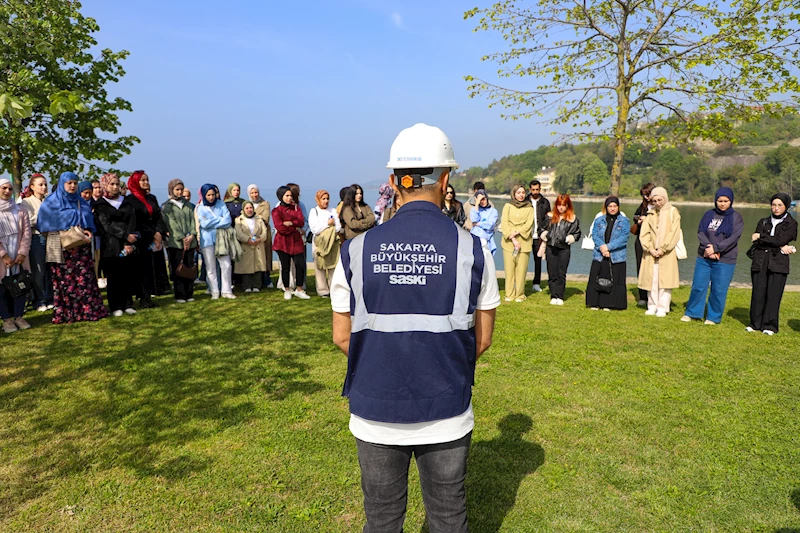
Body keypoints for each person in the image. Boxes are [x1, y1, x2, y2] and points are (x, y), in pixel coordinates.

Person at [331, 123, 499, 533]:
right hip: (446, 409)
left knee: (383, 519)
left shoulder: (355, 249)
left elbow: (341, 336)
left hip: (375, 410)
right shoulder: (472, 248)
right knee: (446, 518)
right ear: (446, 181)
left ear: (393, 182)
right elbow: (483, 338)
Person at [37, 172, 108, 324]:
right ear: (62, 184)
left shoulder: (80, 201)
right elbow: (43, 224)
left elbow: (88, 219)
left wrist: (87, 229)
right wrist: (63, 230)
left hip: (80, 246)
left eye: (75, 183)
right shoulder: (51, 202)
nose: (72, 186)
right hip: (61, 247)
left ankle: (88, 311)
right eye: (69, 183)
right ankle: (69, 313)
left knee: (85, 279)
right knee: (65, 282)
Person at [682, 187, 744, 325]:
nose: (722, 204)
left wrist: (716, 249)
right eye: (719, 201)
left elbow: (734, 238)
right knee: (698, 285)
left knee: (719, 288)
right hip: (704, 257)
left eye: (725, 201)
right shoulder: (708, 214)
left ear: (731, 201)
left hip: (725, 259)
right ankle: (692, 313)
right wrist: (708, 248)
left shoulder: (736, 217)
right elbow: (701, 232)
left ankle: (713, 317)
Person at [746, 192, 797, 335]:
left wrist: (762, 237)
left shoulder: (791, 223)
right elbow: (757, 242)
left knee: (774, 294)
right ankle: (755, 324)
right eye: (774, 205)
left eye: (780, 205)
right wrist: (779, 246)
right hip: (760, 261)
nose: (776, 208)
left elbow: (780, 239)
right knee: (758, 293)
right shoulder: (763, 221)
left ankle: (769, 326)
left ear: (786, 206)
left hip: (778, 263)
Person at [93, 173, 139, 316]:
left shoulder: (127, 202)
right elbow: (106, 225)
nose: (114, 187)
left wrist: (129, 239)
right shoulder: (100, 203)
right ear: (105, 185)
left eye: (117, 184)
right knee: (113, 276)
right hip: (111, 244)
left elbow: (132, 220)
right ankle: (115, 306)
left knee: (127, 274)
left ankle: (128, 303)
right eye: (111, 184)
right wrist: (124, 235)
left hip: (128, 243)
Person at [124, 171, 167, 307]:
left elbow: (158, 216)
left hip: (153, 239)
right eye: (142, 180)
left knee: (150, 268)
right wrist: (153, 233)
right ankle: (141, 297)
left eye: (147, 180)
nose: (146, 183)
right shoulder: (130, 200)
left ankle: (148, 296)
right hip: (140, 238)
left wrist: (160, 232)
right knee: (139, 269)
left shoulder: (151, 198)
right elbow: (135, 221)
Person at [637, 187, 681, 317]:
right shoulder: (650, 214)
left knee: (665, 281)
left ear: (665, 198)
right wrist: (649, 248)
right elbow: (643, 234)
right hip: (651, 253)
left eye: (659, 200)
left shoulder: (673, 212)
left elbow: (674, 233)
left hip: (666, 253)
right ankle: (652, 305)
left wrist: (663, 249)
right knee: (652, 279)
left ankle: (663, 307)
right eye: (655, 200)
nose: (658, 203)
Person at [585, 197, 630, 310]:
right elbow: (594, 235)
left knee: (614, 279)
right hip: (600, 254)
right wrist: (602, 248)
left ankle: (610, 303)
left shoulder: (624, 221)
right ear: (606, 207)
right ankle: (595, 302)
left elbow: (624, 238)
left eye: (614, 206)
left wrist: (608, 247)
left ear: (618, 207)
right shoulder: (599, 220)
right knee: (597, 278)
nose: (612, 208)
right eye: (610, 206)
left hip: (616, 255)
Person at [0, 177, 33, 332]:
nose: (7, 191)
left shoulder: (20, 210)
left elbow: (27, 233)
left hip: (18, 254)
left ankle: (19, 316)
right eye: (3, 188)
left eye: (10, 189)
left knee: (20, 284)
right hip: (2, 256)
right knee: (2, 287)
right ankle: (6, 319)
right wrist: (3, 255)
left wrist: (22, 252)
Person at [540, 194, 581, 305]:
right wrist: (545, 235)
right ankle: (554, 295)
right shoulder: (550, 216)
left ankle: (560, 296)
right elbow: (541, 228)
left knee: (561, 273)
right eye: (559, 205)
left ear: (568, 205)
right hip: (550, 248)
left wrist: (568, 238)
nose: (561, 207)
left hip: (564, 249)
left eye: (563, 205)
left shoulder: (572, 218)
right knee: (552, 272)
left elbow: (577, 233)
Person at [161, 179, 197, 303]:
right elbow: (171, 224)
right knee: (178, 268)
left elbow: (194, 220)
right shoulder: (167, 206)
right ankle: (180, 294)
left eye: (181, 189)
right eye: (177, 189)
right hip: (175, 243)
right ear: (171, 190)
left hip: (190, 241)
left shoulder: (188, 204)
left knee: (189, 267)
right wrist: (182, 237)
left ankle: (189, 293)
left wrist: (192, 235)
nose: (180, 191)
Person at [20, 174, 53, 311]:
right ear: (32, 187)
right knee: (38, 270)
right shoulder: (26, 202)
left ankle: (50, 298)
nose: (44, 187)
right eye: (40, 184)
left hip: (51, 237)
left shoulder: (50, 200)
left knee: (50, 269)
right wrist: (44, 216)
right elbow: (28, 221)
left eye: (45, 184)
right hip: (36, 237)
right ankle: (39, 300)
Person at [197, 184, 235, 300]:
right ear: (204, 195)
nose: (211, 197)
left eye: (213, 194)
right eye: (208, 195)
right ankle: (214, 290)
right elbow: (203, 224)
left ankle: (226, 290)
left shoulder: (221, 204)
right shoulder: (200, 207)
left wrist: (211, 221)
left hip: (221, 239)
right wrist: (219, 220)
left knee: (226, 264)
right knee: (211, 267)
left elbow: (227, 221)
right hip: (207, 240)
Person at [272, 186, 310, 300]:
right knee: (285, 266)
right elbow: (280, 227)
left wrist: (290, 223)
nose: (289, 198)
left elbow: (301, 221)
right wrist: (294, 227)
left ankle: (299, 289)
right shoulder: (276, 210)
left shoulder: (296, 208)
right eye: (287, 196)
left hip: (296, 241)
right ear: (281, 196)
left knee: (300, 264)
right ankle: (287, 289)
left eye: (290, 196)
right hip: (282, 242)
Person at [500, 184, 534, 302]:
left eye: (523, 193)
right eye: (518, 192)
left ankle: (520, 294)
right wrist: (512, 237)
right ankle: (509, 294)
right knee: (509, 270)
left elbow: (529, 224)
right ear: (514, 194)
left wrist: (517, 231)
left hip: (524, 242)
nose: (521, 195)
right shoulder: (507, 206)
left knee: (521, 270)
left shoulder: (529, 207)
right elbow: (504, 223)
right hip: (509, 242)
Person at [309, 189, 341, 297]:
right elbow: (315, 229)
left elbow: (338, 227)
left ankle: (333, 288)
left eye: (327, 199)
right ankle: (322, 290)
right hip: (319, 244)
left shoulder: (332, 211)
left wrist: (328, 228)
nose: (326, 201)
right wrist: (327, 224)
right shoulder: (314, 211)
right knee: (320, 267)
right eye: (323, 199)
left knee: (333, 266)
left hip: (332, 242)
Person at [234, 201, 269, 292]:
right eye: (247, 208)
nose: (249, 210)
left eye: (251, 208)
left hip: (258, 245)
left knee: (258, 265)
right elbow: (238, 234)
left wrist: (259, 239)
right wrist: (247, 240)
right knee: (246, 267)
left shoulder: (259, 219)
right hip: (246, 246)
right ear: (243, 209)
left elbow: (265, 232)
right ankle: (247, 286)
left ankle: (257, 285)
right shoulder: (239, 220)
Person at [631, 183, 655, 306]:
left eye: (647, 194)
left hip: (654, 241)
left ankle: (654, 296)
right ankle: (642, 296)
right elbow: (635, 216)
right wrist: (639, 219)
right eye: (643, 195)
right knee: (641, 267)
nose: (646, 197)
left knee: (653, 269)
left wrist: (648, 219)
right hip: (640, 240)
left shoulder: (659, 206)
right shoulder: (643, 206)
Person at [247, 184, 274, 288]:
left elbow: (265, 219)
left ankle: (266, 279)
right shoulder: (247, 204)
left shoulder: (265, 203)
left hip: (263, 234)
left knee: (265, 256)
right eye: (252, 193)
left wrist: (252, 218)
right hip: (250, 234)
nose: (254, 195)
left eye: (256, 192)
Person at [527, 179, 551, 293]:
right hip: (526, 235)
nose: (535, 191)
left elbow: (548, 219)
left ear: (540, 189)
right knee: (523, 259)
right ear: (530, 189)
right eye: (533, 189)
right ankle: (520, 281)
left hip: (539, 236)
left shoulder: (545, 202)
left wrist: (545, 233)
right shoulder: (525, 201)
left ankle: (536, 283)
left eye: (537, 189)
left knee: (538, 260)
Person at [469, 189, 499, 256]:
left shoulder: (493, 211)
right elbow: (474, 219)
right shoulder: (474, 210)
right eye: (480, 200)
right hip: (475, 239)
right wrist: (476, 204)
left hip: (487, 240)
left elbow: (490, 225)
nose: (482, 202)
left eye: (484, 199)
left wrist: (478, 224)